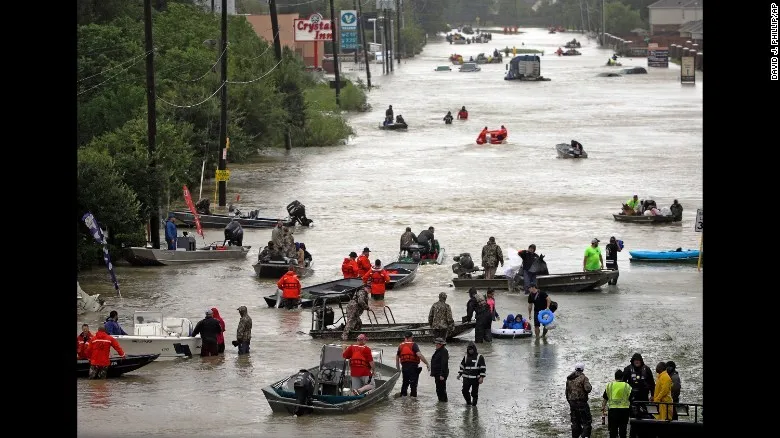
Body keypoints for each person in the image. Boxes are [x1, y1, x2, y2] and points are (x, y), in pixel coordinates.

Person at [396, 331, 430, 397]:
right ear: (411, 337)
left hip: (404, 367)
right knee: (413, 385)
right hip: (413, 367)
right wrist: (427, 363)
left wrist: (398, 368)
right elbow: (419, 355)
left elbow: (397, 357)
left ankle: (403, 399)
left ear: (405, 337)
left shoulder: (400, 345)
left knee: (405, 383)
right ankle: (413, 401)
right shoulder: (414, 345)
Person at [622, 353, 656, 419]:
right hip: (632, 397)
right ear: (632, 361)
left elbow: (652, 383)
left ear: (641, 361)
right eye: (635, 360)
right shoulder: (628, 369)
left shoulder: (647, 369)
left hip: (644, 397)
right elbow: (623, 383)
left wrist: (652, 395)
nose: (637, 361)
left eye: (638, 360)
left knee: (645, 414)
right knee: (633, 414)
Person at [602, 369, 632, 438]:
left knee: (612, 430)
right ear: (622, 377)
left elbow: (605, 398)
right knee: (623, 430)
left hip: (613, 411)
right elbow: (631, 397)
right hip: (624, 411)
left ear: (615, 377)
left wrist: (603, 407)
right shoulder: (627, 386)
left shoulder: (610, 385)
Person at [566, 362, 593, 438]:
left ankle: (575, 436)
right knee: (587, 422)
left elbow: (567, 392)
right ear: (582, 369)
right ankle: (584, 436)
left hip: (572, 403)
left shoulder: (569, 379)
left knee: (575, 422)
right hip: (582, 403)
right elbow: (588, 389)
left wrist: (570, 402)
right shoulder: (584, 378)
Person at [457, 342, 486, 406]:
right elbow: (462, 366)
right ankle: (468, 403)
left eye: (471, 349)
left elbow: (483, 368)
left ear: (474, 349)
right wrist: (459, 374)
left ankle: (474, 406)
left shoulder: (480, 357)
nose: (470, 351)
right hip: (466, 378)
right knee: (464, 391)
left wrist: (482, 377)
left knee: (474, 393)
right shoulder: (466, 356)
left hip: (475, 379)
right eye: (469, 350)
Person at [430, 337, 450, 402]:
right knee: (438, 389)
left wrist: (442, 374)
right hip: (437, 373)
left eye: (437, 344)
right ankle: (441, 403)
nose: (435, 345)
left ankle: (443, 402)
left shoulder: (444, 351)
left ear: (440, 344)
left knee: (441, 389)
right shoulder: (438, 351)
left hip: (441, 374)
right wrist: (433, 373)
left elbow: (444, 363)